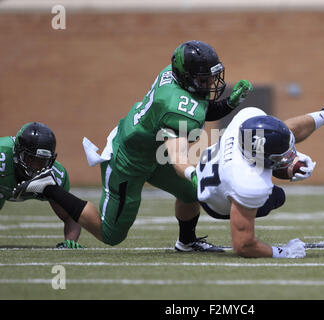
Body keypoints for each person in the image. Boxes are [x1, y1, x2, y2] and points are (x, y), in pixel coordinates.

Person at [14, 40, 253, 251]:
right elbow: (178, 157)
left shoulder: (175, 76)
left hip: (152, 149)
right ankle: (49, 187)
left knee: (191, 194)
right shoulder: (175, 106)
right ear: (187, 78)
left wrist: (230, 103)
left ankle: (187, 242)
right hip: (129, 159)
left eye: (212, 76)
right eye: (204, 79)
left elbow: (198, 107)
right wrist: (194, 173)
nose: (211, 82)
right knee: (111, 235)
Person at [192, 88, 324, 258]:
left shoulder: (247, 118)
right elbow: (243, 245)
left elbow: (274, 142)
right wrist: (284, 253)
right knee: (277, 196)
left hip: (212, 166)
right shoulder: (248, 183)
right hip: (215, 202)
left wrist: (288, 165)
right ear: (262, 160)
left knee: (276, 133)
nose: (292, 155)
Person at [0, 122, 83, 249]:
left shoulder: (56, 175)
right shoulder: (3, 155)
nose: (35, 167)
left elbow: (71, 215)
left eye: (42, 162)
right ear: (17, 152)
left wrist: (70, 241)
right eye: (30, 159)